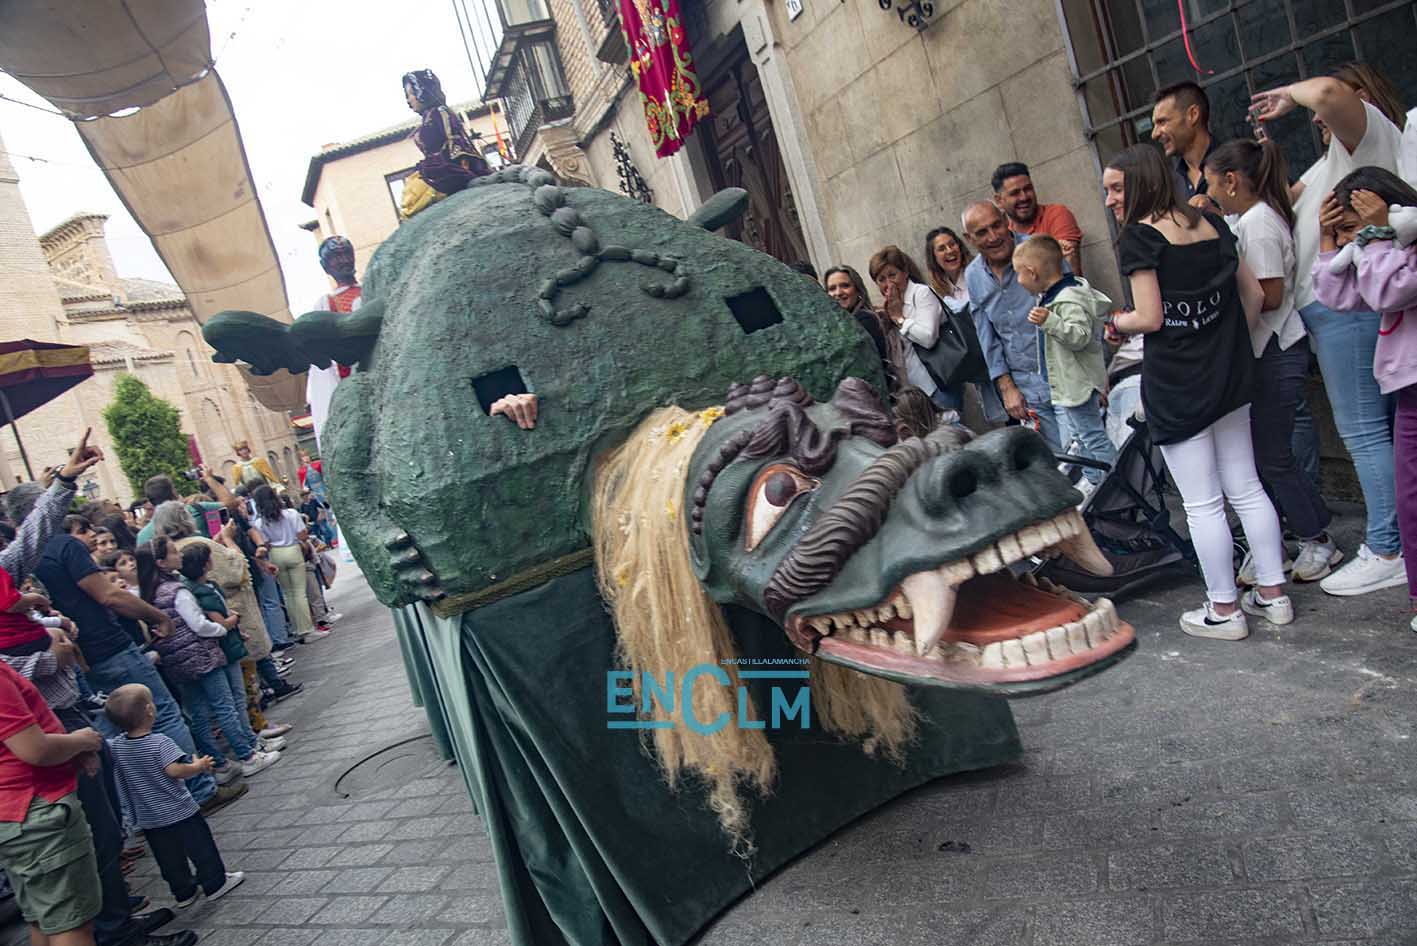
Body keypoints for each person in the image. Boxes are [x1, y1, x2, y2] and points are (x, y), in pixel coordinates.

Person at [1108, 143, 1291, 641]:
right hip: (1230, 377)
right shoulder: (1211, 224)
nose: (1110, 200)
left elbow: (1150, 317)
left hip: (1178, 384)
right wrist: (1227, 346)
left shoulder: (1139, 238)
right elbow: (1254, 294)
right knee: (1246, 486)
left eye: (1116, 188)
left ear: (1141, 183)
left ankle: (1224, 609)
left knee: (1202, 503)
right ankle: (1274, 595)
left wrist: (1117, 323)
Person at [1251, 67, 1407, 597]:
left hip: (1349, 310)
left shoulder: (1372, 133)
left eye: (1326, 110)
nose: (1318, 118)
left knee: (1364, 432)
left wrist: (1287, 96)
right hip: (1336, 310)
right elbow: (1281, 201)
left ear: (1363, 98)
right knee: (1380, 431)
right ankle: (1397, 542)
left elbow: (1325, 92)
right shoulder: (1334, 161)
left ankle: (1388, 549)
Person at [1203, 138, 1340, 583]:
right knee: (1266, 457)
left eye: (1210, 183)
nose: (1208, 193)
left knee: (1274, 456)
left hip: (1277, 349)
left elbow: (1271, 294)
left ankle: (1318, 538)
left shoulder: (1258, 223)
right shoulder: (1250, 219)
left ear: (1231, 180)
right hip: (1268, 351)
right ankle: (1283, 542)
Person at [1312, 166, 1417, 632]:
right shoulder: (1379, 251)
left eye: (1351, 228)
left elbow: (1387, 292)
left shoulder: (1401, 247)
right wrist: (1327, 241)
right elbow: (1337, 295)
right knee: (1410, 500)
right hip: (1407, 388)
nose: (1348, 242)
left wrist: (1375, 236)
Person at [135, 538, 280, 782]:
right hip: (202, 656)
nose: (179, 555)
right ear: (160, 562)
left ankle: (219, 764)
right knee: (225, 706)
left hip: (178, 662)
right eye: (173, 552)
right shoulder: (177, 591)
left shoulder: (149, 594)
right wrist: (222, 629)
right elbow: (199, 624)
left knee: (199, 714)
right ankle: (247, 756)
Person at [103, 685, 244, 908]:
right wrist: (198, 766)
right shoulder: (160, 742)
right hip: (179, 810)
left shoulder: (117, 746)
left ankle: (183, 892)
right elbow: (175, 770)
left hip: (149, 817)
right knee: (200, 847)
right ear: (150, 710)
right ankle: (215, 883)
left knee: (168, 858)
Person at [0, 659, 104, 946]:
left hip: (14, 814)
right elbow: (34, 749)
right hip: (35, 808)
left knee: (44, 918)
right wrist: (82, 740)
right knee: (72, 924)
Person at [1012, 236, 1117, 487]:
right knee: (1080, 438)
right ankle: (1095, 482)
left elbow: (1080, 336)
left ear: (1032, 272)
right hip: (1069, 384)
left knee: (1092, 436)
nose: (1017, 280)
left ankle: (1116, 481)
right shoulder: (1053, 296)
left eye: (1018, 273)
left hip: (1077, 385)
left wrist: (1050, 321)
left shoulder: (1068, 299)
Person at [962, 201, 1062, 449]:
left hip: (1066, 376)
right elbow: (987, 336)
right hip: (1027, 389)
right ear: (969, 239)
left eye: (996, 225)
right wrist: (1006, 387)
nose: (993, 237)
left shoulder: (1038, 251)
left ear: (1006, 220)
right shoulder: (973, 275)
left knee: (1090, 456)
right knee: (1057, 461)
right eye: (982, 232)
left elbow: (1077, 306)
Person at [868, 246, 958, 420]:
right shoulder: (889, 306)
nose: (888, 283)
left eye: (892, 275)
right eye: (881, 279)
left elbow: (928, 338)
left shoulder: (921, 293)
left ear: (905, 272)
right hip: (913, 393)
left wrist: (899, 318)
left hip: (937, 384)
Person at [399, 69, 491, 218]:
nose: (408, 101)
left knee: (413, 198)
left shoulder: (440, 113)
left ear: (421, 92)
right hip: (432, 169)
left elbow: (456, 142)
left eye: (410, 94)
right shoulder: (428, 117)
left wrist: (461, 170)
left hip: (445, 169)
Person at [305, 237, 363, 451]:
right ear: (325, 265)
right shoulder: (325, 303)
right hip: (354, 382)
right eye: (336, 257)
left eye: (346, 253)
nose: (344, 260)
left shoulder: (373, 288)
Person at [249, 486, 320, 642]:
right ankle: (307, 629)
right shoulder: (291, 514)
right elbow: (302, 534)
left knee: (288, 594)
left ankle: (297, 628)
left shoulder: (259, 523)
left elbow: (265, 543)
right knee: (299, 592)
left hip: (275, 554)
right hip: (293, 550)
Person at [991, 164, 1085, 274]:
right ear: (999, 200)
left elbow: (1069, 267)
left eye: (1028, 189)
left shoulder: (1056, 214)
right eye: (1015, 193)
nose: (1024, 197)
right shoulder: (1006, 234)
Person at [823, 265, 902, 391]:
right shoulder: (838, 323)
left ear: (858, 290)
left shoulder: (865, 319)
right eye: (832, 288)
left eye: (845, 286)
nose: (838, 293)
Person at [1151, 81, 1217, 207]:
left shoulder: (1235, 164)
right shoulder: (1169, 185)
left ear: (1193, 115)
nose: (1154, 134)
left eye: (1162, 122)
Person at [135, 470, 240, 545]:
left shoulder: (143, 537)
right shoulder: (196, 509)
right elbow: (232, 503)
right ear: (174, 492)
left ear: (150, 501)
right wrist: (209, 478)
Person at [924, 227, 972, 307]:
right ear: (933, 257)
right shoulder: (935, 292)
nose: (950, 251)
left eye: (952, 244)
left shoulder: (977, 274)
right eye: (942, 249)